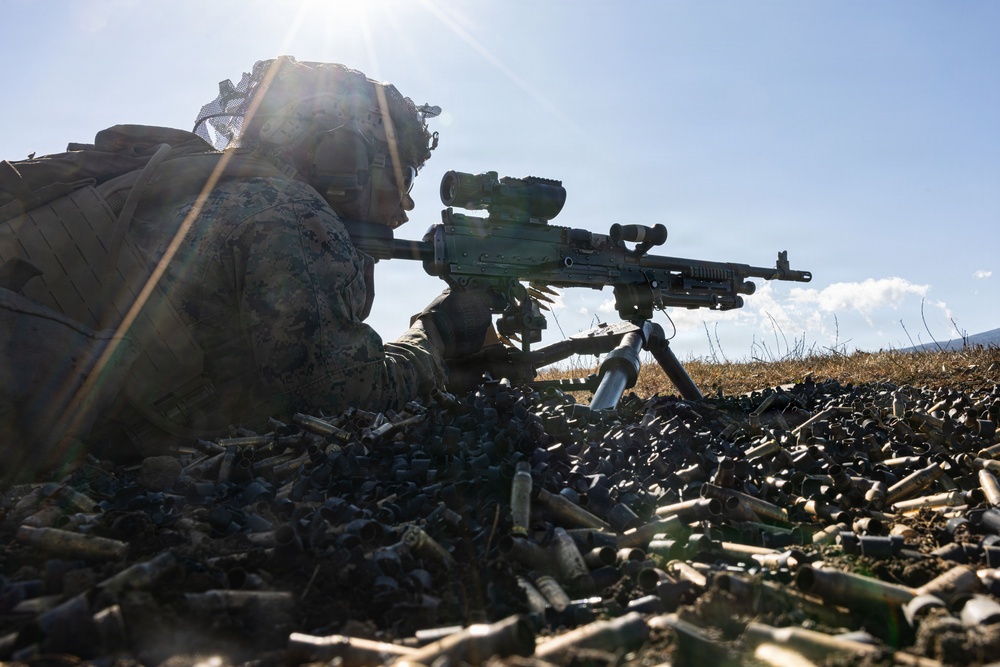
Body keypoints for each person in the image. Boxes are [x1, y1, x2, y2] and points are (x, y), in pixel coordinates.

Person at [0, 56, 497, 476]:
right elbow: (342, 397)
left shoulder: (205, 184)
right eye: (403, 174)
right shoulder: (293, 214)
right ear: (345, 154)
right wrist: (436, 334)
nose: (407, 205)